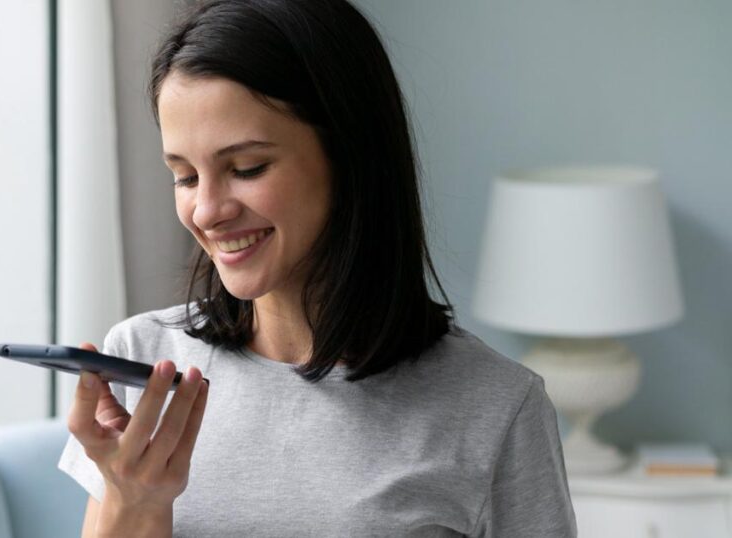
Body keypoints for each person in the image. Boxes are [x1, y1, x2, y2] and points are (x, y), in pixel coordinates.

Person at [58, 0, 577, 536]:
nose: (208, 211)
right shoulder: (144, 362)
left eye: (246, 168)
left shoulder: (495, 406)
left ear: (350, 157)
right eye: (186, 176)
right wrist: (134, 499)